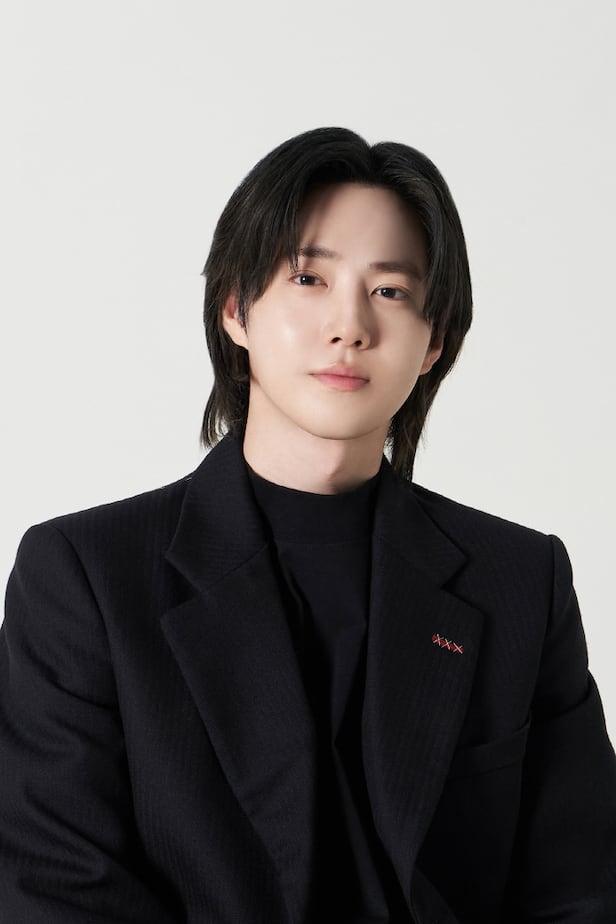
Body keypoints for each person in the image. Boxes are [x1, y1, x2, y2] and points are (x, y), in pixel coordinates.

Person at [1, 126, 615, 924]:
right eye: (307, 278)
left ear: (433, 341)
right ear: (235, 309)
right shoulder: (85, 575)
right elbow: (56, 888)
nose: (349, 325)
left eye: (390, 291)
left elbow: (581, 885)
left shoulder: (521, 579)